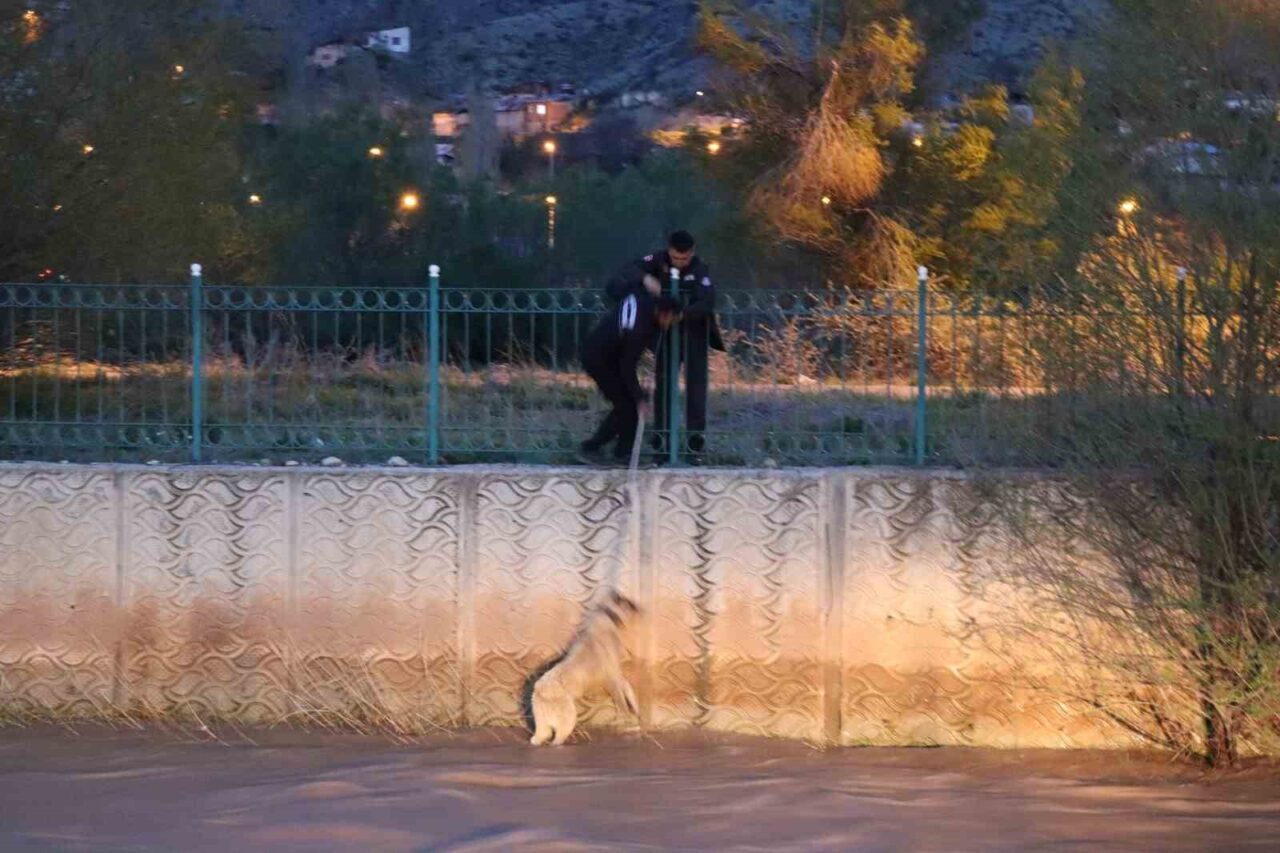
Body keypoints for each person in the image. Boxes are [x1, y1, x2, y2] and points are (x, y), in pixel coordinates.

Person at [605, 230, 725, 464]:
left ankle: (694, 447)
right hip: (665, 337)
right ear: (669, 250)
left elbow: (707, 302)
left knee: (696, 391)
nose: (680, 263)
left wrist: (681, 314)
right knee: (664, 390)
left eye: (685, 259)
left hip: (693, 335)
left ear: (692, 252)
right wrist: (646, 278)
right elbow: (631, 269)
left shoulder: (700, 269)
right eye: (676, 258)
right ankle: (661, 446)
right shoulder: (657, 260)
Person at [578, 291, 683, 466]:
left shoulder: (647, 305)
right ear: (664, 314)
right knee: (627, 405)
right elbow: (627, 366)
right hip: (599, 359)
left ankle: (622, 454)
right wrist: (640, 398)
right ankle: (592, 449)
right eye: (671, 321)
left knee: (629, 405)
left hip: (609, 357)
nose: (669, 326)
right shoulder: (639, 327)